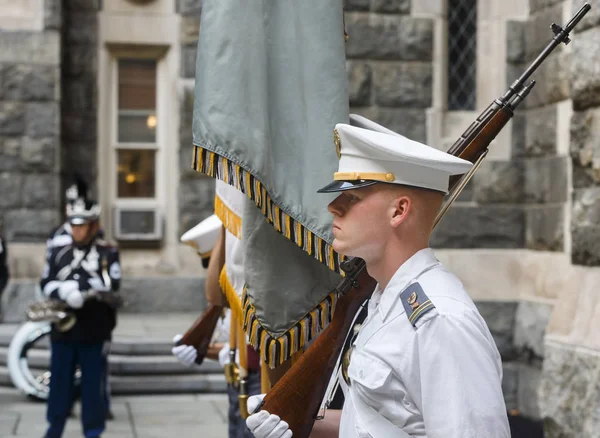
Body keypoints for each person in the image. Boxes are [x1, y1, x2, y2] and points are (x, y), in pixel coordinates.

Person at [245, 117, 510, 437]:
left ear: (398, 211)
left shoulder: (440, 320)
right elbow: (379, 422)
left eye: (352, 197)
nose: (333, 207)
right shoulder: (381, 299)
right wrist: (296, 419)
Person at [40, 197, 122, 438]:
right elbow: (45, 281)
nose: (77, 230)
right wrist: (63, 290)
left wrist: (88, 289)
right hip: (63, 329)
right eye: (73, 225)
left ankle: (93, 431)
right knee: (59, 385)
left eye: (82, 225)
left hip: (94, 328)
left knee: (92, 386)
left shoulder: (108, 252)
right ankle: (54, 429)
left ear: (93, 226)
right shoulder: (58, 251)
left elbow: (113, 283)